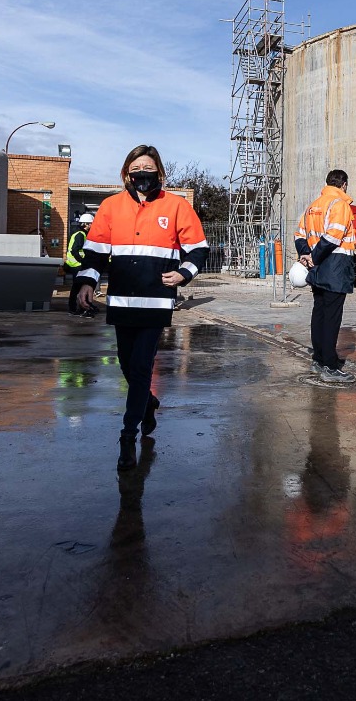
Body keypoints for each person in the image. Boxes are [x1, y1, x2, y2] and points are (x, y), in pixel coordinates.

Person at [78, 144, 208, 470]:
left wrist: (183, 273)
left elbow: (198, 248)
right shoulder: (110, 207)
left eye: (148, 169)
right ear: (126, 174)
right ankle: (147, 404)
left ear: (159, 172)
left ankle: (127, 437)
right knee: (127, 366)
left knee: (140, 369)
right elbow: (95, 253)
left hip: (155, 304)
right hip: (121, 302)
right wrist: (86, 283)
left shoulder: (176, 206)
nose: (142, 174)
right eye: (136, 169)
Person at [294, 169, 356, 384]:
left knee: (319, 313)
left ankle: (319, 359)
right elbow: (333, 236)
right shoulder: (340, 204)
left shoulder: (313, 206)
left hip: (318, 268)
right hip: (335, 266)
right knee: (331, 317)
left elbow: (299, 235)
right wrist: (314, 257)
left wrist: (307, 255)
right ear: (344, 184)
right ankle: (330, 366)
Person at [65, 212, 99, 316]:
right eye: (91, 224)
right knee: (77, 288)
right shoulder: (80, 235)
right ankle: (75, 308)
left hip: (77, 264)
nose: (91, 226)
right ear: (86, 224)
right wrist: (82, 261)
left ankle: (83, 306)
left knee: (80, 287)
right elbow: (75, 250)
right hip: (77, 265)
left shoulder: (80, 233)